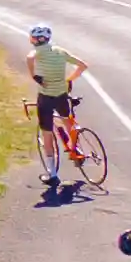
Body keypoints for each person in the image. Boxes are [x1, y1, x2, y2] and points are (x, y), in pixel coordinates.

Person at [28, 23, 87, 194]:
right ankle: (76, 149)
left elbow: (30, 58)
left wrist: (35, 76)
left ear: (33, 39)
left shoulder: (37, 53)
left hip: (46, 97)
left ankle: (52, 173)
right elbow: (83, 65)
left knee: (47, 134)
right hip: (62, 94)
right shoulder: (60, 51)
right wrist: (69, 80)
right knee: (67, 120)